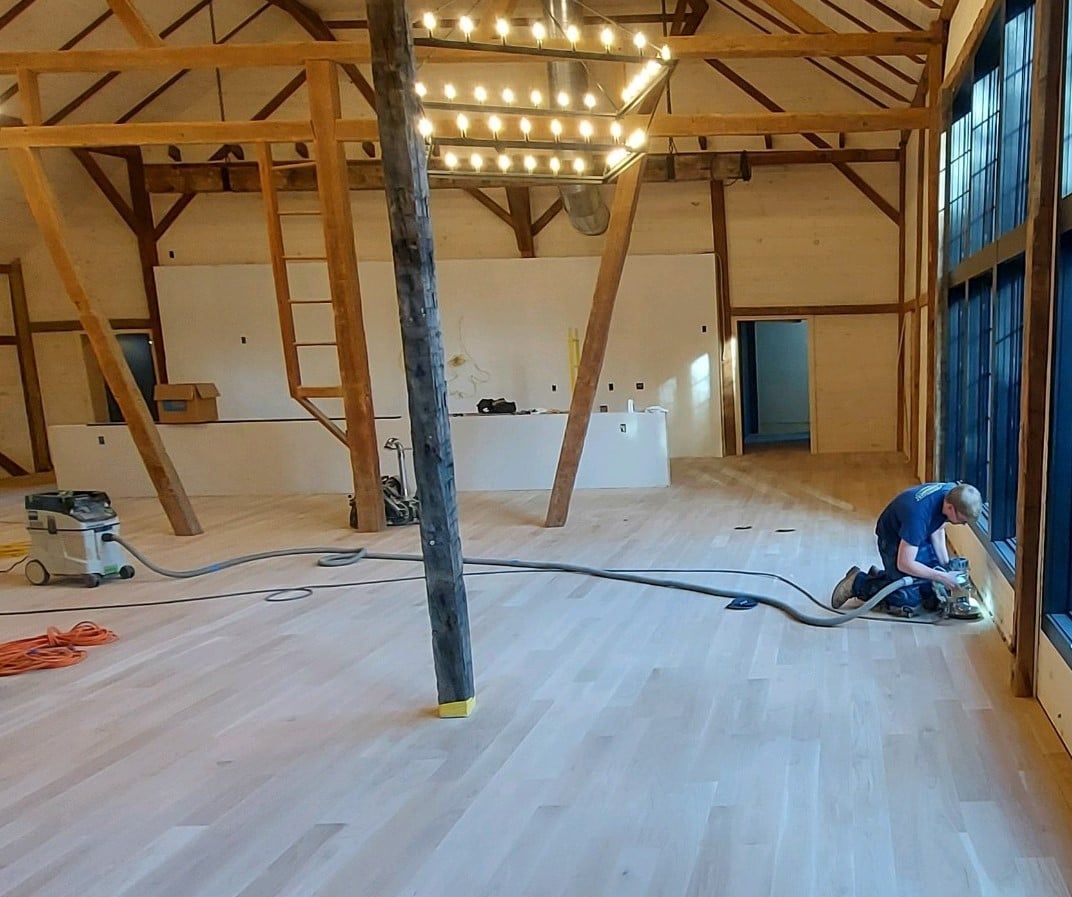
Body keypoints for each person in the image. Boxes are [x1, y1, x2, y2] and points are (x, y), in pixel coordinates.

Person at [831, 482, 982, 612]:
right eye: (962, 520)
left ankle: (886, 576)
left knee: (932, 591)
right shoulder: (918, 517)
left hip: (917, 536)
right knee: (907, 599)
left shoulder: (952, 493)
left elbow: (938, 529)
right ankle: (858, 583)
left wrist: (945, 567)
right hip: (893, 539)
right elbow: (904, 563)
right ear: (950, 508)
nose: (963, 524)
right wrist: (943, 577)